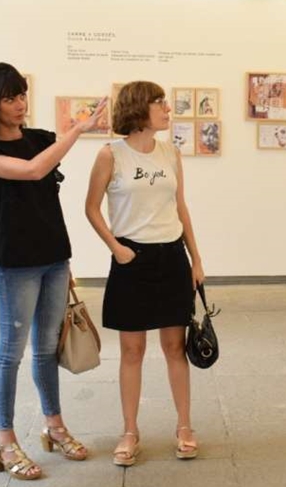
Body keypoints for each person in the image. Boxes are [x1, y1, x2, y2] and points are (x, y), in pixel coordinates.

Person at [0, 62, 105, 481]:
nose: (20, 104)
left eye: (22, 95)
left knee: (45, 349)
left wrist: (67, 266)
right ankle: (5, 442)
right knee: (9, 352)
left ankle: (54, 426)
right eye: (9, 97)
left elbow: (43, 190)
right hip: (14, 264)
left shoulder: (39, 140)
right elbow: (32, 171)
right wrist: (79, 129)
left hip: (55, 257)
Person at [84, 80, 206, 467]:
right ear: (140, 109)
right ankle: (129, 431)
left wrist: (196, 259)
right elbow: (91, 208)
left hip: (172, 258)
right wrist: (116, 249)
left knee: (175, 347)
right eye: (160, 104)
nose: (168, 110)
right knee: (132, 351)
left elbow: (181, 208)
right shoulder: (110, 155)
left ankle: (184, 426)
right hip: (130, 260)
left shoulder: (171, 153)